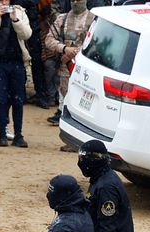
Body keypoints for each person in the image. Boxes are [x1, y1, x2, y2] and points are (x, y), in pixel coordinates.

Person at [43, 0, 94, 151]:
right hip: (66, 70)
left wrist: (77, 52)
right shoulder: (62, 19)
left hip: (86, 71)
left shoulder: (93, 19)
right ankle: (71, 141)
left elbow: (99, 43)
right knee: (68, 105)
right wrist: (64, 49)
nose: (76, 2)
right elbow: (49, 40)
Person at [0, 0, 32, 147]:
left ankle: (18, 134)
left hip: (17, 61)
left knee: (18, 100)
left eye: (7, 1)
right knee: (1, 99)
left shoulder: (20, 11)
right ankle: (2, 135)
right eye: (1, 1)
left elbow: (27, 34)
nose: (4, 3)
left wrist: (15, 19)